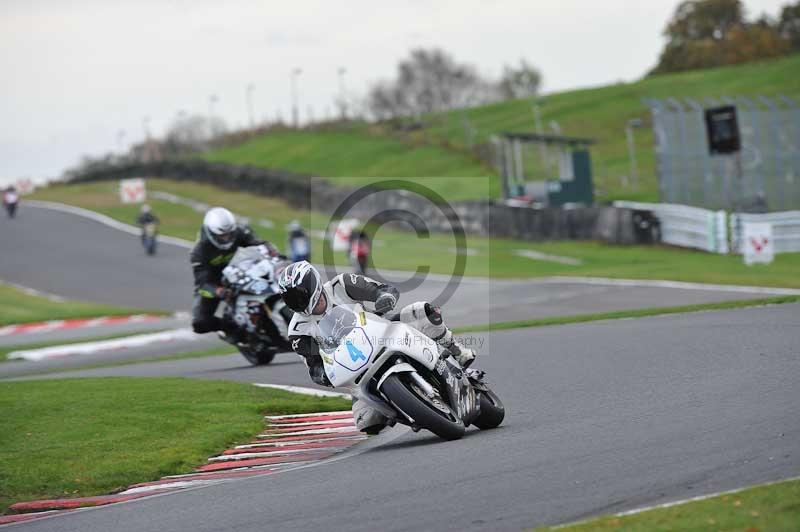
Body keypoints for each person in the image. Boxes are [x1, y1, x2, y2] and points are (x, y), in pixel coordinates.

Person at [277, 261, 476, 433]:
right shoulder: (298, 330)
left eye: (299, 294)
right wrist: (323, 375)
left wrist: (384, 298)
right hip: (355, 367)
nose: (297, 302)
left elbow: (382, 290)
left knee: (424, 311)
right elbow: (314, 365)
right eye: (290, 299)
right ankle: (407, 409)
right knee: (367, 423)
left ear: (312, 284)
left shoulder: (341, 284)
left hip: (382, 331)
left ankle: (457, 353)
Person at [190, 207, 280, 343]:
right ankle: (230, 329)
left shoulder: (240, 231)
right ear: (210, 233)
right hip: (216, 283)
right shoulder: (199, 252)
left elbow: (258, 244)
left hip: (243, 271)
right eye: (222, 236)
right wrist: (218, 291)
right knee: (199, 323)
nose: (226, 238)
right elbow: (203, 284)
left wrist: (270, 249)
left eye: (229, 234)